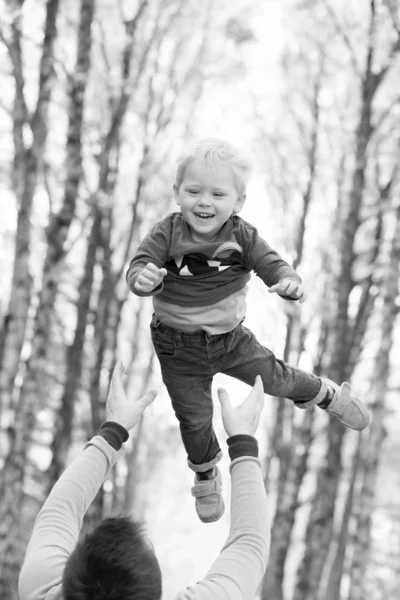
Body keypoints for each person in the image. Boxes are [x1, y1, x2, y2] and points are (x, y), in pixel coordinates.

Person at [126, 137, 370, 523]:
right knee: (193, 417)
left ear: (237, 202)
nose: (204, 202)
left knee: (275, 377)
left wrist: (288, 281)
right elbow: (139, 265)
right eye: (193, 191)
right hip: (177, 348)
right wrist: (144, 279)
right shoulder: (167, 234)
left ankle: (325, 393)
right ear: (177, 194)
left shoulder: (242, 236)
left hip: (230, 342)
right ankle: (205, 473)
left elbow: (272, 264)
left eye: (217, 194)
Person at [18, 362, 270, 600]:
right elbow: (248, 545)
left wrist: (113, 431)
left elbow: (59, 511)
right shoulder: (37, 586)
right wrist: (243, 440)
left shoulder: (41, 589)